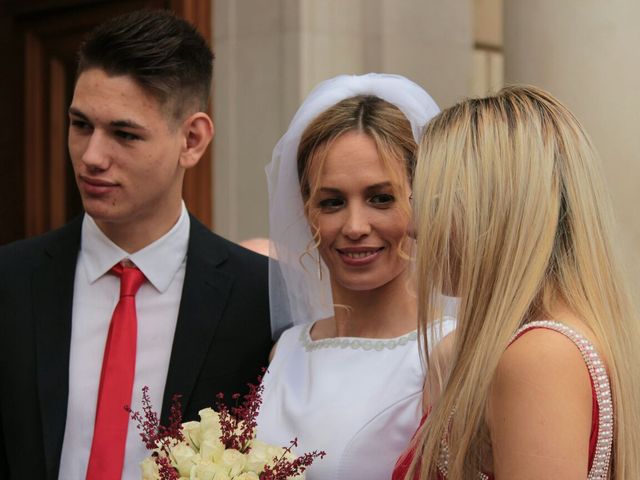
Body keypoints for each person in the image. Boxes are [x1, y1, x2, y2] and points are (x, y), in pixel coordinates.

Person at [0, 10, 271, 480]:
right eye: (81, 124)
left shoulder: (259, 299)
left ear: (192, 139)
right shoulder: (9, 281)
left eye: (124, 134)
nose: (91, 156)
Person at [393, 85, 640, 479]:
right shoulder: (522, 345)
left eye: (433, 202)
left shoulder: (539, 356)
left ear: (493, 208)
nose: (413, 227)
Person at [256, 73, 456, 480]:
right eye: (332, 202)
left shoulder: (447, 352)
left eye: (380, 198)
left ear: (421, 201)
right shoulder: (287, 350)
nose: (355, 226)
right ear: (307, 211)